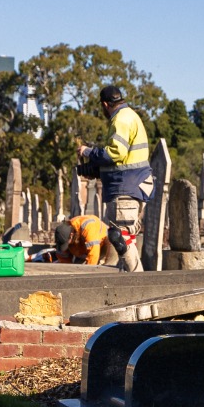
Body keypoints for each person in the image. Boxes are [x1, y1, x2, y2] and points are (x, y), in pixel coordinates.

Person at [77, 84, 152, 270]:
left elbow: (115, 153)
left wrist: (88, 152)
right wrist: (96, 170)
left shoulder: (121, 119)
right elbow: (123, 160)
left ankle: (137, 281)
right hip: (131, 184)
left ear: (104, 104)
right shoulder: (130, 116)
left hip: (126, 187)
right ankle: (136, 277)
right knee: (126, 237)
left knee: (120, 236)